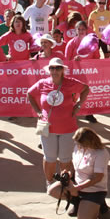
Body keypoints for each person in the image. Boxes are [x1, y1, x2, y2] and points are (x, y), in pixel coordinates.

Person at [27, 58, 90, 188]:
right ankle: (49, 183)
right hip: (48, 129)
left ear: (63, 70)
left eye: (58, 68)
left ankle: (64, 182)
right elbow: (29, 94)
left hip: (68, 129)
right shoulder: (42, 83)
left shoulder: (70, 83)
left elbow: (86, 89)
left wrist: (78, 105)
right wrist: (38, 112)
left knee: (65, 159)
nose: (55, 71)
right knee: (49, 158)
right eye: (52, 68)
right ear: (48, 70)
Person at [46, 127, 110, 219]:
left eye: (80, 144)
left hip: (94, 189)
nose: (77, 146)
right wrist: (68, 173)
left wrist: (78, 187)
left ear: (89, 142)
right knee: (52, 190)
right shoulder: (78, 147)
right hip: (76, 184)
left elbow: (98, 177)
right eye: (77, 143)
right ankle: (78, 203)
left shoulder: (101, 153)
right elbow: (73, 166)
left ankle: (98, 204)